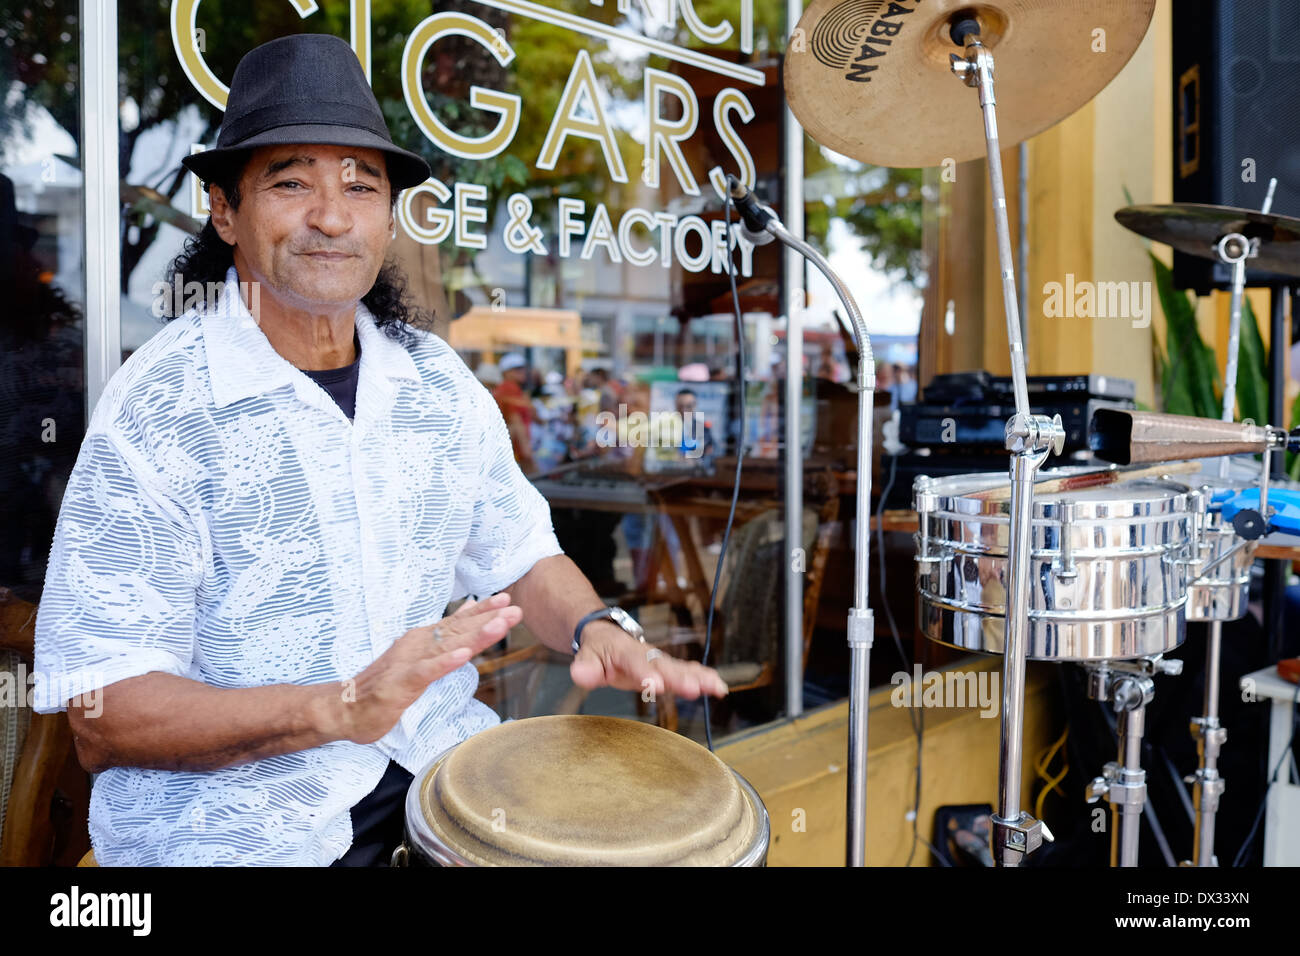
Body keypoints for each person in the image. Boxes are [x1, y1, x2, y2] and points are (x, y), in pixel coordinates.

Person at [32, 33, 727, 868]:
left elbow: (518, 553)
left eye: (361, 186)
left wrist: (592, 625)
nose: (333, 215)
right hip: (243, 832)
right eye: (291, 182)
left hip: (441, 783)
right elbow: (103, 716)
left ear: (388, 214)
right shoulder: (159, 411)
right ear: (224, 210)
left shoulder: (433, 380)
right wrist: (338, 706)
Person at [492, 352, 536, 473]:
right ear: (506, 372)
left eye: (523, 368)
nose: (522, 371)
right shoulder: (509, 389)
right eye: (516, 369)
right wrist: (526, 453)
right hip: (515, 451)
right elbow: (515, 422)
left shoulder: (508, 388)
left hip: (509, 449)